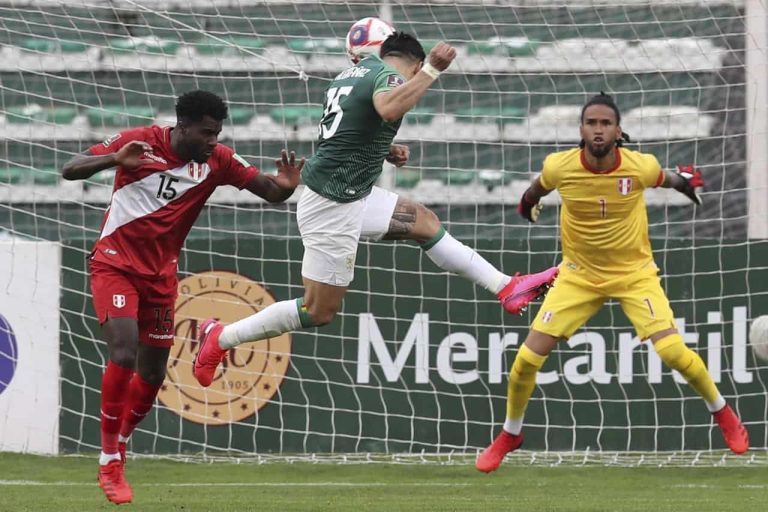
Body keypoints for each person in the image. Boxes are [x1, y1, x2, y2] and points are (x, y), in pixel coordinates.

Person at [192, 32, 559, 387]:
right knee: (318, 311)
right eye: (414, 74)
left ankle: (506, 287)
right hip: (333, 206)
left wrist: (385, 150)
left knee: (425, 223)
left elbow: (348, 132)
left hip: (352, 195)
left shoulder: (350, 75)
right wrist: (433, 69)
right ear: (411, 65)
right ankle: (222, 337)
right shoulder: (389, 73)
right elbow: (387, 106)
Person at [475, 92, 749, 473]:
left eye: (606, 123)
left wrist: (686, 182)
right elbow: (536, 189)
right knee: (524, 361)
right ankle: (511, 433)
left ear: (618, 130)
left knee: (672, 353)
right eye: (592, 123)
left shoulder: (639, 166)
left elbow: (668, 178)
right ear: (581, 130)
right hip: (579, 276)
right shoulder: (560, 167)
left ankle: (722, 412)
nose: (598, 129)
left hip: (634, 274)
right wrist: (527, 204)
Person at [61, 90, 304, 504]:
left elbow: (271, 191)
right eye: (207, 133)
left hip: (160, 278)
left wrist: (287, 185)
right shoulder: (139, 141)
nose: (214, 140)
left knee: (153, 375)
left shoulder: (218, 161)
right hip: (114, 263)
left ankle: (119, 440)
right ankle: (108, 460)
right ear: (183, 126)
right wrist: (114, 160)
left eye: (218, 133)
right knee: (123, 352)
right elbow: (70, 168)